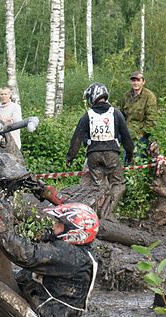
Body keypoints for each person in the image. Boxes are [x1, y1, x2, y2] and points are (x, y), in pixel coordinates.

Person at [66, 83, 135, 219]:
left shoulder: (88, 115)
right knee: (118, 184)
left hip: (93, 155)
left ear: (92, 97)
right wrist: (130, 153)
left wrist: (70, 156)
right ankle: (107, 213)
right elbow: (126, 136)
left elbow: (77, 138)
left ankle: (97, 215)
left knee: (98, 187)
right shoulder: (115, 113)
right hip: (112, 154)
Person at [118, 71, 159, 151]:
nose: (135, 83)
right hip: (127, 134)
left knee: (138, 158)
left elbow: (151, 119)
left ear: (143, 82)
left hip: (142, 136)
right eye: (133, 80)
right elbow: (122, 114)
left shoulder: (149, 96)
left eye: (138, 80)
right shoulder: (126, 95)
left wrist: (141, 134)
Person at [0, 86, 23, 150]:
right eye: (2, 94)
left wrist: (2, 120)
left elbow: (17, 121)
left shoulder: (16, 107)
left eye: (5, 94)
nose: (3, 96)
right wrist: (8, 119)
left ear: (9, 95)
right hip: (0, 143)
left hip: (14, 143)